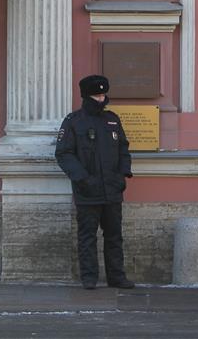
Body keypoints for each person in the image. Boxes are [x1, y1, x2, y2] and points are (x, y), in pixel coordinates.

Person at [55, 74, 134, 290]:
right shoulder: (73, 121)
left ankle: (116, 277)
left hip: (112, 189)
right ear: (87, 96)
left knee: (115, 236)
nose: (101, 99)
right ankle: (89, 278)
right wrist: (82, 178)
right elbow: (64, 153)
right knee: (88, 237)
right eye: (97, 95)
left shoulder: (112, 119)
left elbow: (123, 149)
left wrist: (122, 175)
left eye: (103, 94)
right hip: (87, 191)